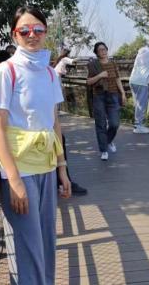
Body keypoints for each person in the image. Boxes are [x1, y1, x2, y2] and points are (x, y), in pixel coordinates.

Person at [0, 6, 71, 284]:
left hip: (46, 164)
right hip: (20, 167)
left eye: (38, 29)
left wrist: (62, 168)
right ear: (15, 35)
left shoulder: (49, 73)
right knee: (28, 246)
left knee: (46, 242)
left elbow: (54, 122)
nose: (32, 35)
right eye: (24, 30)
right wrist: (13, 180)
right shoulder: (7, 70)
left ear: (45, 32)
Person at [51, 47, 88, 197]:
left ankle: (61, 180)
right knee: (57, 140)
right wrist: (81, 60)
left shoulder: (53, 66)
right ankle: (61, 181)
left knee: (60, 138)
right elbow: (72, 61)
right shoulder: (64, 60)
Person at [86, 42, 126, 160]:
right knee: (101, 124)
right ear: (97, 53)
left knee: (114, 123)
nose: (103, 52)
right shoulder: (93, 65)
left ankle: (108, 141)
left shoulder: (113, 63)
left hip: (113, 96)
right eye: (100, 50)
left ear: (107, 50)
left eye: (104, 49)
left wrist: (123, 93)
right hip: (99, 96)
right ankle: (104, 150)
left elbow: (117, 79)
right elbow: (89, 82)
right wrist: (100, 75)